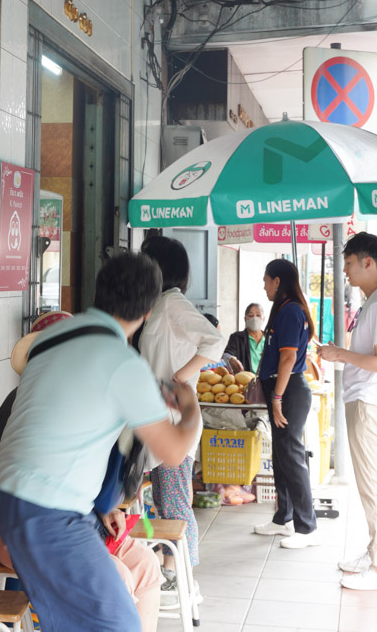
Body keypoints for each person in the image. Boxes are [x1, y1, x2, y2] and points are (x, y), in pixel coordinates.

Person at [0, 253, 203, 631]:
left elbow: (78, 399)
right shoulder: (122, 362)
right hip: (48, 512)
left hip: (8, 498)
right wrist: (191, 410)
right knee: (116, 624)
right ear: (149, 310)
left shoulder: (57, 335)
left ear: (99, 292)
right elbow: (173, 452)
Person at [0, 312, 163, 632]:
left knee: (147, 566)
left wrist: (104, 511)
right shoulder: (18, 409)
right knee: (117, 580)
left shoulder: (82, 402)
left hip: (80, 527)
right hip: (27, 534)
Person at [137, 235, 226, 597]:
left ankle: (186, 578)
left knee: (174, 504)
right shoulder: (159, 304)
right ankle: (172, 570)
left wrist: (181, 377)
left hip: (174, 423)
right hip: (159, 422)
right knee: (164, 502)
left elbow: (214, 341)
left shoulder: (172, 303)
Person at [318, 232, 377, 590]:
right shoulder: (373, 302)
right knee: (368, 486)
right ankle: (373, 553)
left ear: (369, 262)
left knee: (373, 487)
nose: (345, 272)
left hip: (369, 402)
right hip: (362, 400)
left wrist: (340, 355)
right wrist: (342, 353)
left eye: (349, 263)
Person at [251, 259, 320, 549]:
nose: (264, 286)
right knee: (281, 456)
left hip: (289, 390)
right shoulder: (285, 309)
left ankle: (307, 528)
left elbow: (288, 358)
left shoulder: (291, 311)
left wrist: (277, 398)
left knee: (291, 455)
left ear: (278, 281)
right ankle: (284, 519)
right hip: (283, 389)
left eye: (266, 280)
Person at [224, 303, 266, 373]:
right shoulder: (237, 338)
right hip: (245, 380)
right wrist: (232, 359)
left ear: (263, 319)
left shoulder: (269, 339)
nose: (254, 318)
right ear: (245, 319)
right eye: (250, 315)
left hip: (267, 381)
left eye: (258, 315)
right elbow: (227, 354)